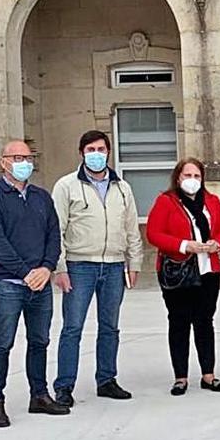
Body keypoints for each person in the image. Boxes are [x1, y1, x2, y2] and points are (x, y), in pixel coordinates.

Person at [0, 140, 69, 427]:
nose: (23, 162)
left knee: (39, 341)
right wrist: (25, 272)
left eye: (28, 157)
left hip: (40, 284)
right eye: (17, 157)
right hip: (9, 284)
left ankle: (39, 396)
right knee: (2, 343)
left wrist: (46, 268)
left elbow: (54, 236)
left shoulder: (42, 197)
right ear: (3, 162)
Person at [52, 130, 143, 406]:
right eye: (90, 149)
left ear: (108, 152)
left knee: (110, 327)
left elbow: (131, 227)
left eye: (101, 149)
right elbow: (56, 229)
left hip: (114, 266)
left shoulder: (122, 188)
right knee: (73, 328)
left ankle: (106, 379)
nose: (96, 154)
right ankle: (64, 386)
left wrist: (134, 261)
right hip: (80, 265)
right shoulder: (66, 186)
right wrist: (60, 267)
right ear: (82, 153)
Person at [146, 158, 220, 396]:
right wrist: (184, 245)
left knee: (205, 321)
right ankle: (180, 377)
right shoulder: (166, 201)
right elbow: (154, 233)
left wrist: (218, 242)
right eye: (187, 176)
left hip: (207, 270)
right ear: (178, 178)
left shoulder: (212, 201)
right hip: (178, 270)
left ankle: (208, 374)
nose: (192, 180)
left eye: (197, 176)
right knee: (179, 321)